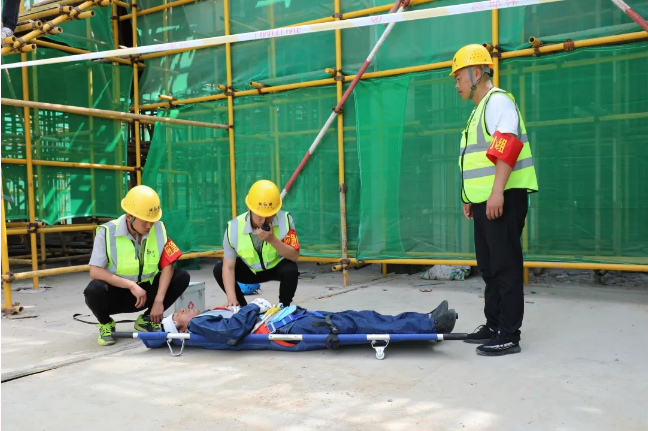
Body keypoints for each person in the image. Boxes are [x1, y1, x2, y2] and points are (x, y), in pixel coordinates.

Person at [449, 44, 539, 356]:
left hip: (502, 198)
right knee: (489, 267)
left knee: (505, 266)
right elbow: (476, 160)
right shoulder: (479, 109)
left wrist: (497, 191)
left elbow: (507, 146)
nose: (456, 84)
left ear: (476, 73)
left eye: (459, 77)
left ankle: (509, 334)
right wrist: (470, 197)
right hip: (485, 201)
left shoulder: (498, 101)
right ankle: (494, 323)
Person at [84, 185, 190, 346]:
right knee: (94, 290)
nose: (149, 226)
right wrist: (131, 285)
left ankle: (147, 318)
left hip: (148, 292)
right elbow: (95, 271)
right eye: (145, 221)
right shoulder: (106, 232)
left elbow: (168, 264)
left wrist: (159, 301)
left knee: (181, 277)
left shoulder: (159, 228)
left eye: (152, 221)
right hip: (119, 293)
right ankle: (106, 324)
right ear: (129, 216)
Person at [161, 299, 458, 348]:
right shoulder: (198, 326)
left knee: (359, 317)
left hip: (290, 318)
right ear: (182, 329)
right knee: (357, 322)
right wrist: (253, 306)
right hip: (288, 328)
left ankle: (424, 320)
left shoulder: (203, 318)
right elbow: (232, 331)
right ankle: (429, 324)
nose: (182, 311)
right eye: (177, 316)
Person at [213, 179, 300, 308]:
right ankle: (242, 308)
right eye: (260, 214)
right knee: (219, 269)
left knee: (291, 269)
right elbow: (228, 267)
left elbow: (294, 256)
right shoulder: (233, 227)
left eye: (270, 215)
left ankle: (283, 308)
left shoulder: (286, 220)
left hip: (275, 267)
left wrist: (273, 240)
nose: (264, 220)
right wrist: (231, 298)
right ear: (250, 208)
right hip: (250, 271)